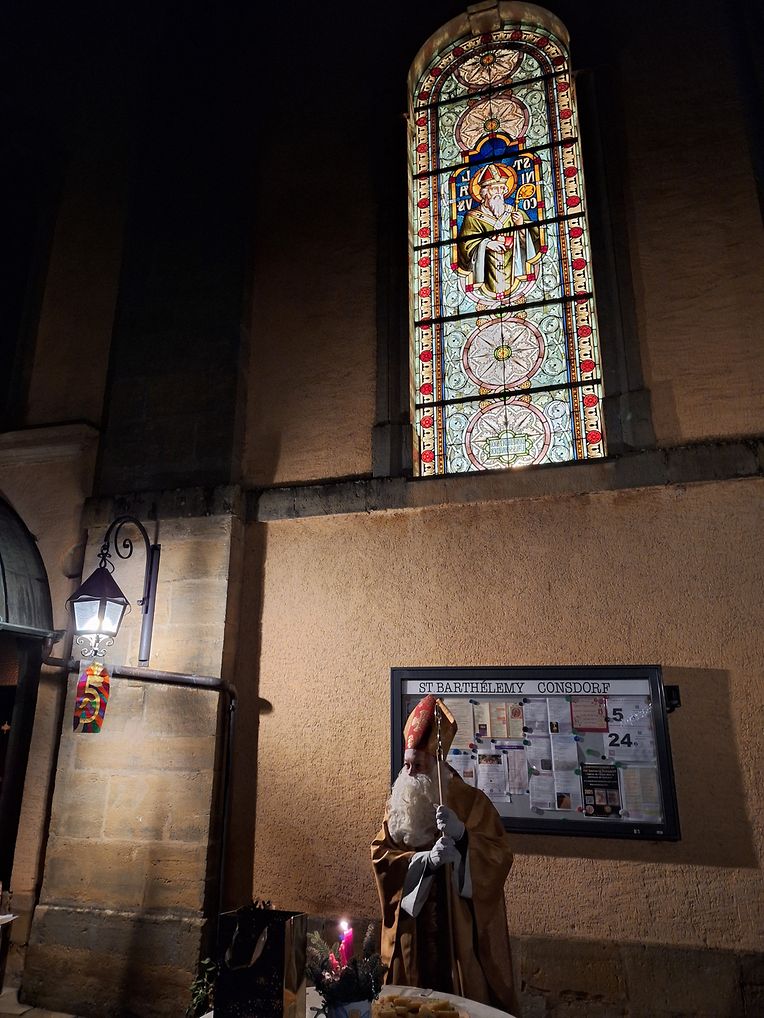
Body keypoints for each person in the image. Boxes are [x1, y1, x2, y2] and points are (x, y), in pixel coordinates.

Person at [371, 695, 517, 1013]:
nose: (409, 773)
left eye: (418, 765)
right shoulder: (398, 803)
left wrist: (463, 837)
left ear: (437, 765)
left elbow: (499, 855)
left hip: (457, 935)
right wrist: (424, 861)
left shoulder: (471, 802)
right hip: (411, 933)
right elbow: (381, 854)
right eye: (406, 764)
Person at [457, 162, 539, 300]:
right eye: (495, 189)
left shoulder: (514, 212)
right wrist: (486, 244)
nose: (499, 193)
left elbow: (535, 240)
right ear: (484, 192)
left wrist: (521, 226)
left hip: (514, 271)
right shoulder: (472, 217)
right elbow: (465, 247)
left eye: (502, 188)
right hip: (486, 273)